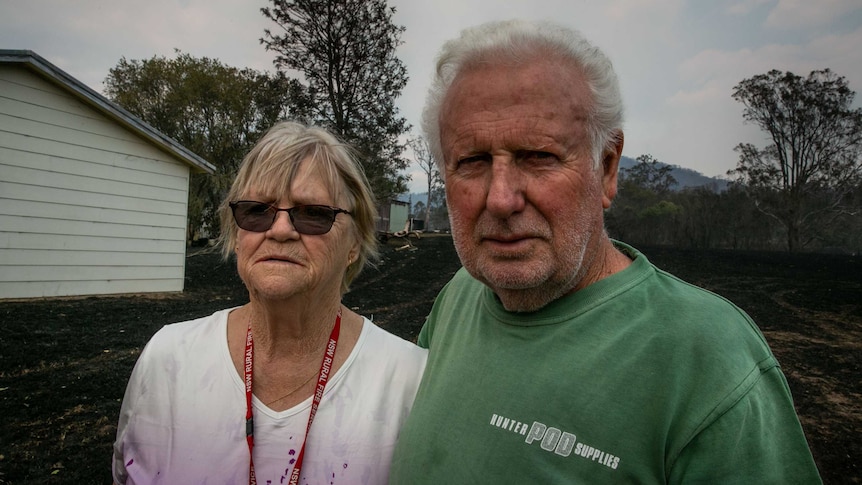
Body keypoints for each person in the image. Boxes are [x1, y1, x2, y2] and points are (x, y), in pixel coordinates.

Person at [389, 19, 821, 484]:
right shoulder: (458, 296)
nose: (500, 199)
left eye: (538, 156)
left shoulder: (708, 360)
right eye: (471, 161)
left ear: (607, 168)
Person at [112, 121, 426, 484]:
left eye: (313, 213)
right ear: (236, 232)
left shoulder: (407, 382)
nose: (279, 230)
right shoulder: (166, 362)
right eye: (257, 210)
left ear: (355, 242)